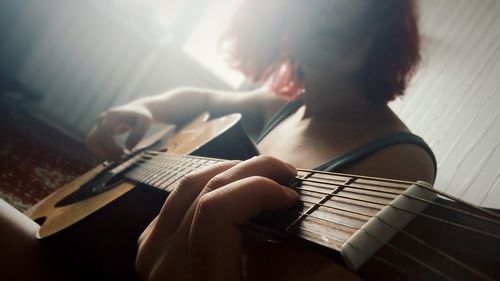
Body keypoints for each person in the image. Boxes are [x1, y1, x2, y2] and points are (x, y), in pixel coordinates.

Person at [0, 0, 436, 280]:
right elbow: (200, 96)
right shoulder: (279, 105)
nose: (328, 11)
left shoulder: (401, 159)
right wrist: (146, 109)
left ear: (383, 29)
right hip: (112, 246)